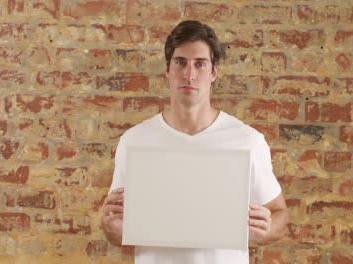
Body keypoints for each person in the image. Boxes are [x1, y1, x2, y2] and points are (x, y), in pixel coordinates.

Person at [101, 20, 288, 263]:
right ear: (167, 70)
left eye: (200, 64)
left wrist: (264, 230)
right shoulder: (134, 141)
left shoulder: (247, 141)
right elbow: (117, 227)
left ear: (213, 73)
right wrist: (110, 227)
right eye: (181, 62)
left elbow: (280, 215)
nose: (189, 74)